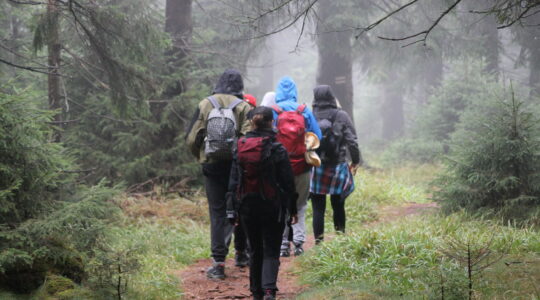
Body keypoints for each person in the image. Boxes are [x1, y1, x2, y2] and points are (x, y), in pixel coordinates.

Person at [186, 69, 252, 279]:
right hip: (237, 167)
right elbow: (249, 138)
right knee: (240, 208)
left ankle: (218, 263)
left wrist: (202, 156)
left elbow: (191, 138)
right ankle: (242, 254)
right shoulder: (244, 106)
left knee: (218, 212)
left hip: (212, 166)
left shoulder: (206, 103)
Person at [227, 106, 298, 300]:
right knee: (271, 248)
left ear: (251, 122)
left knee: (254, 248)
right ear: (271, 122)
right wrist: (292, 208)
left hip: (247, 205)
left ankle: (256, 292)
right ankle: (269, 290)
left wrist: (231, 209)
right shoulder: (277, 147)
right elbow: (287, 182)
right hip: (272, 206)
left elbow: (233, 181)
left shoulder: (239, 145)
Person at [271, 76, 322, 257]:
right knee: (300, 204)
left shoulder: (273, 111)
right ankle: (299, 243)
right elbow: (318, 136)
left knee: (282, 204)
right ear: (294, 91)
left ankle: (283, 244)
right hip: (302, 166)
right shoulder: (304, 111)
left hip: (278, 168)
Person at [310, 85, 362, 244]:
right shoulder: (342, 115)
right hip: (337, 165)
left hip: (317, 166)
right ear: (332, 96)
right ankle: (340, 240)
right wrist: (355, 161)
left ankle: (319, 243)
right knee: (338, 205)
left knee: (318, 208)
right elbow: (352, 141)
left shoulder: (310, 115)